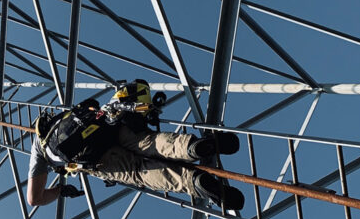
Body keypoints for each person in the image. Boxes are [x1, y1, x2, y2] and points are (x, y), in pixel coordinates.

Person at [26, 80, 245, 211]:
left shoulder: (40, 148)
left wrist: (60, 190)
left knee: (140, 171)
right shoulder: (62, 118)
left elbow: (34, 199)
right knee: (148, 143)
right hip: (110, 127)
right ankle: (193, 146)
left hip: (95, 157)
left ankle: (196, 183)